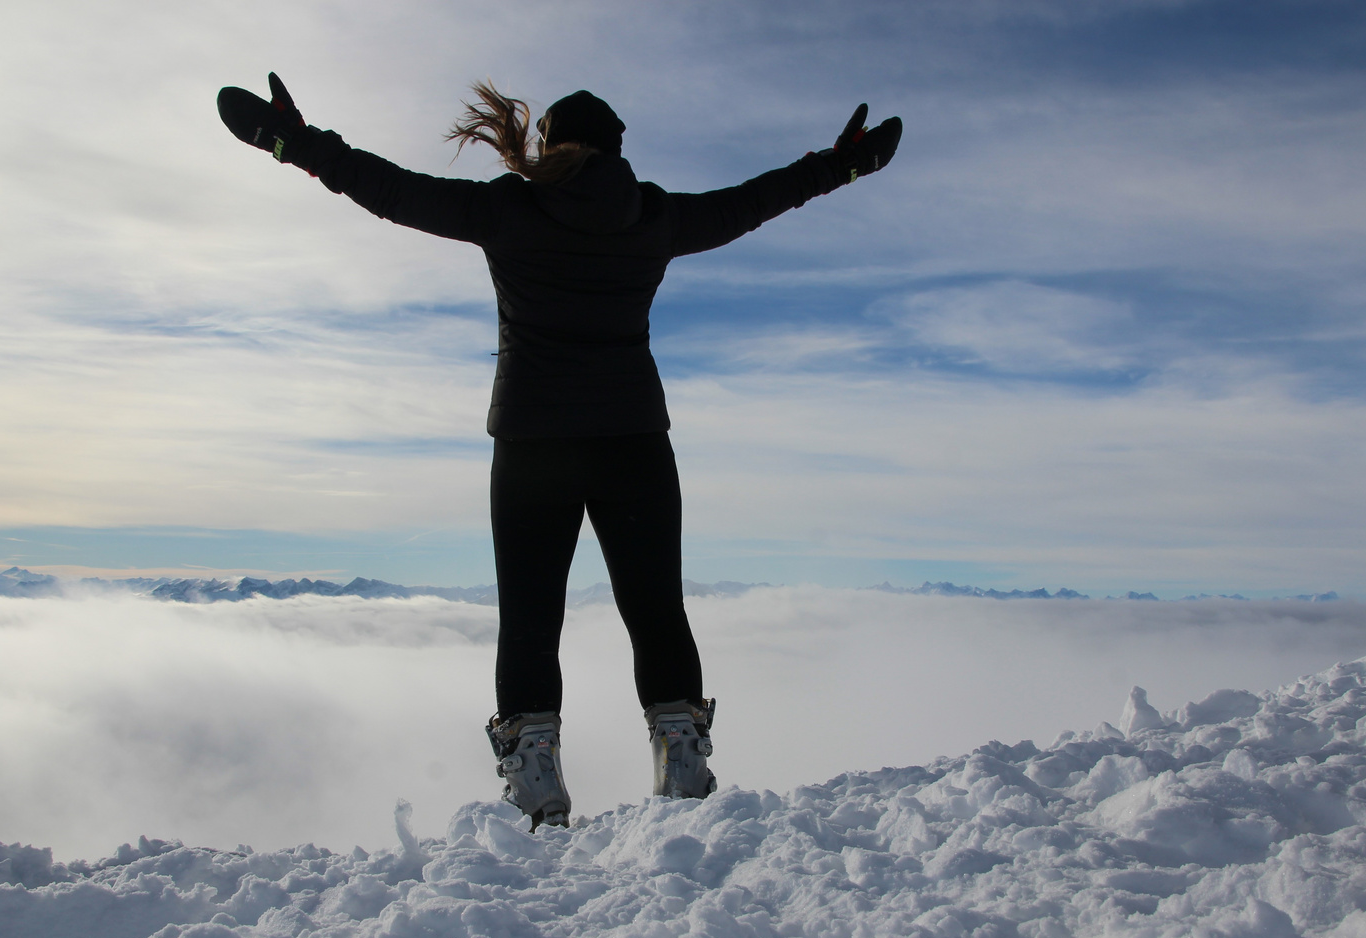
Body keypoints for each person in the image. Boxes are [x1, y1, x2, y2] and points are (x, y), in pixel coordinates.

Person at [217, 75, 902, 829]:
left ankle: (537, 785)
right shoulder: (653, 216)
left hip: (532, 443)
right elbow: (754, 201)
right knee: (656, 610)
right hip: (633, 441)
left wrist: (291, 142)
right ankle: (681, 764)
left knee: (530, 616)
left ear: (549, 145)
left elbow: (386, 188)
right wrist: (842, 166)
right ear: (615, 147)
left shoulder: (507, 208)